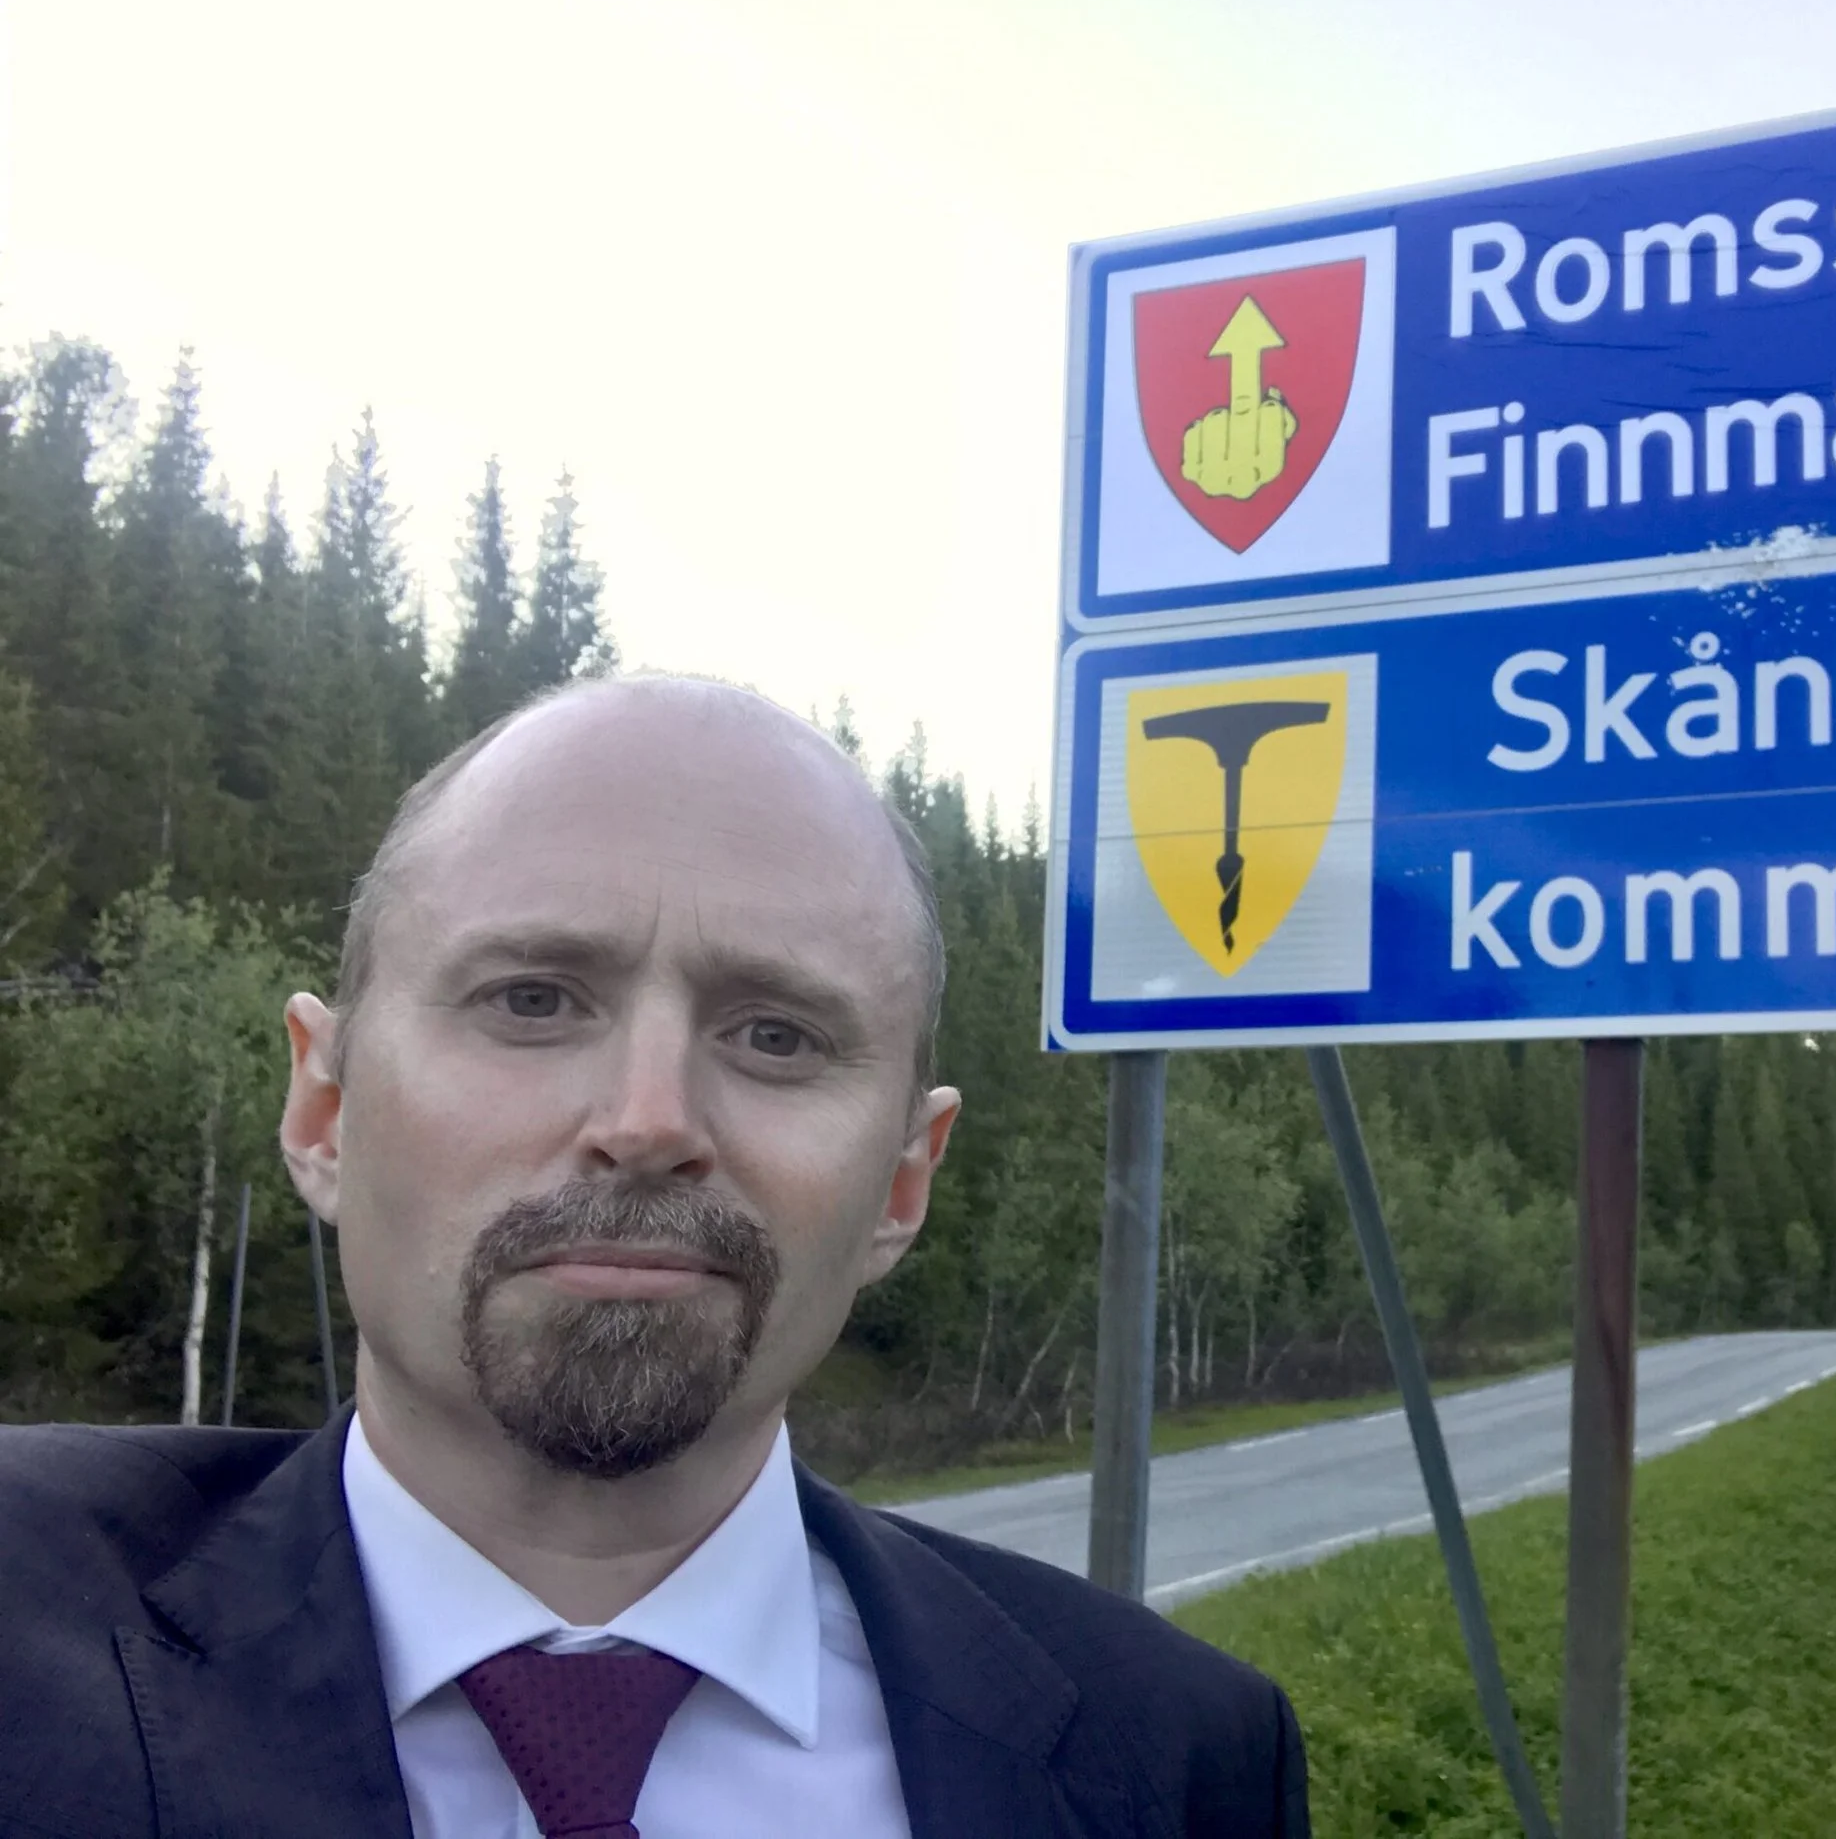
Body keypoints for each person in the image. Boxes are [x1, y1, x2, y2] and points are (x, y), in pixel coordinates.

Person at [0, 676, 1309, 1839]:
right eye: (531, 1000)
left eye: (777, 1036)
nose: (648, 1120)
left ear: (903, 1181)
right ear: (325, 1110)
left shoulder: (1177, 1761)